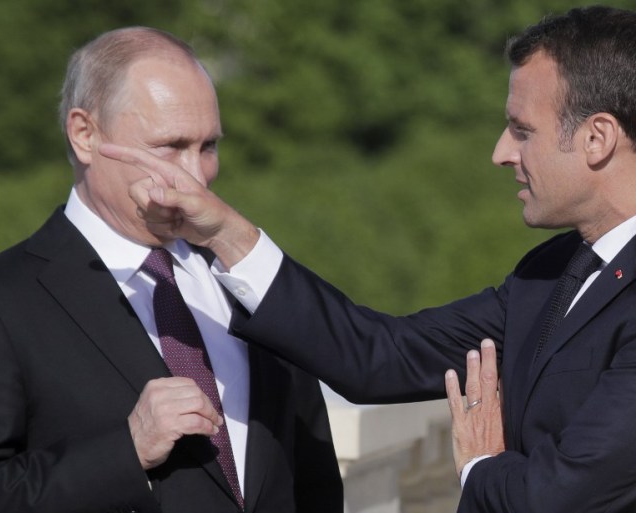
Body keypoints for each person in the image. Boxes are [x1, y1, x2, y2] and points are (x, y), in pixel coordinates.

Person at [102, 5, 636, 513]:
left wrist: (478, 464)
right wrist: (227, 233)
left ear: (597, 138)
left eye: (522, 130)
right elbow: (379, 355)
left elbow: (560, 496)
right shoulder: (550, 272)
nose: (502, 152)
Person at [0, 27, 343, 513]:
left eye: (208, 147)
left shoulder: (245, 277)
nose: (196, 177)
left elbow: (312, 476)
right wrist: (127, 449)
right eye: (170, 146)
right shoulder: (8, 299)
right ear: (85, 135)